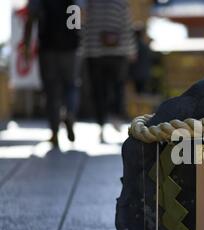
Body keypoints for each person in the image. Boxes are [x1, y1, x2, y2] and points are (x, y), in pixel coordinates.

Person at [23, 0, 82, 147]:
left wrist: (27, 44)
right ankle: (70, 114)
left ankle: (54, 132)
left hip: (48, 48)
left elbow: (31, 17)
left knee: (51, 90)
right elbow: (81, 15)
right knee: (71, 86)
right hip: (71, 47)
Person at [83, 0, 137, 142]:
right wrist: (131, 50)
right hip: (117, 53)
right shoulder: (120, 3)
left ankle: (100, 124)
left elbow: (84, 26)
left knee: (98, 90)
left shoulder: (90, 4)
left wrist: (84, 49)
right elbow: (127, 27)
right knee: (117, 86)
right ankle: (116, 115)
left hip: (94, 53)